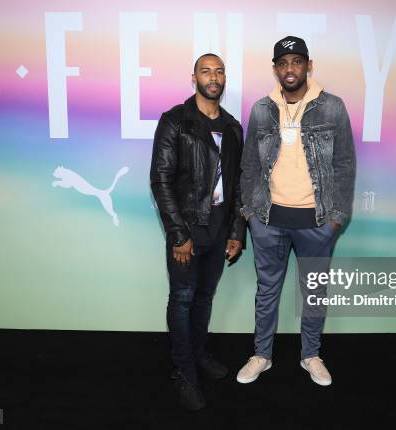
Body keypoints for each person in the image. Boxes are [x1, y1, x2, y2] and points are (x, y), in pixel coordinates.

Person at [237, 36, 356, 387]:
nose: (290, 69)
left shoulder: (332, 107)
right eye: (284, 63)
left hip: (317, 222)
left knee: (314, 292)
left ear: (308, 65)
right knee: (267, 290)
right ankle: (261, 355)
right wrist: (250, 213)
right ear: (275, 69)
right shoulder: (262, 109)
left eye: (297, 61)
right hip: (268, 219)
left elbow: (344, 164)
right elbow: (249, 166)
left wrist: (337, 218)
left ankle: (311, 355)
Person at [150, 53, 245, 410]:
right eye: (206, 71)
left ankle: (198, 354)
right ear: (194, 78)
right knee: (183, 299)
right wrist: (178, 234)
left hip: (220, 231)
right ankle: (184, 372)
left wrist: (237, 231)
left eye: (219, 71)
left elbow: (238, 185)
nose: (213, 76)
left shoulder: (234, 127)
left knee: (204, 298)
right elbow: (160, 179)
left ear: (224, 79)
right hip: (188, 231)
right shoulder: (176, 121)